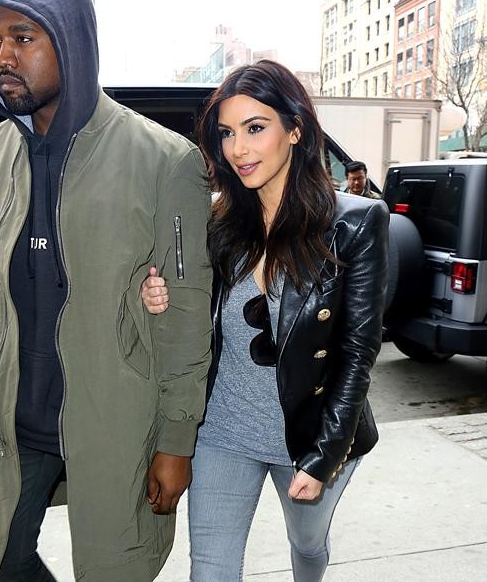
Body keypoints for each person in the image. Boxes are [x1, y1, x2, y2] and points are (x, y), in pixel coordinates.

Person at [0, 0, 213, 582]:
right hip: (10, 422)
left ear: (70, 41)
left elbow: (185, 314)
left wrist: (175, 440)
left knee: (112, 570)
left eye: (22, 37)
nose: (3, 57)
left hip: (114, 421)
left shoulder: (163, 160)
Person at [141, 60, 389, 582]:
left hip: (311, 433)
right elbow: (194, 315)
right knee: (210, 570)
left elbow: (357, 354)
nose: (238, 149)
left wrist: (324, 456)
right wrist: (160, 297)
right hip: (223, 430)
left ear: (295, 129)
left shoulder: (355, 222)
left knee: (308, 544)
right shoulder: (218, 222)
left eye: (255, 128)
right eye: (227, 133)